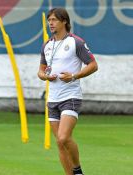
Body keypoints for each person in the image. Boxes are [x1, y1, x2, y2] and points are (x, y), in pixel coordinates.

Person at [38, 7, 98, 175]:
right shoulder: (47, 45)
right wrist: (45, 76)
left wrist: (74, 76)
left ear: (64, 21)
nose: (50, 23)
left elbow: (93, 65)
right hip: (52, 99)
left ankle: (78, 170)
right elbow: (41, 70)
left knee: (64, 137)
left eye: (54, 20)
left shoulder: (75, 42)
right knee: (59, 143)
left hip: (70, 96)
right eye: (49, 20)